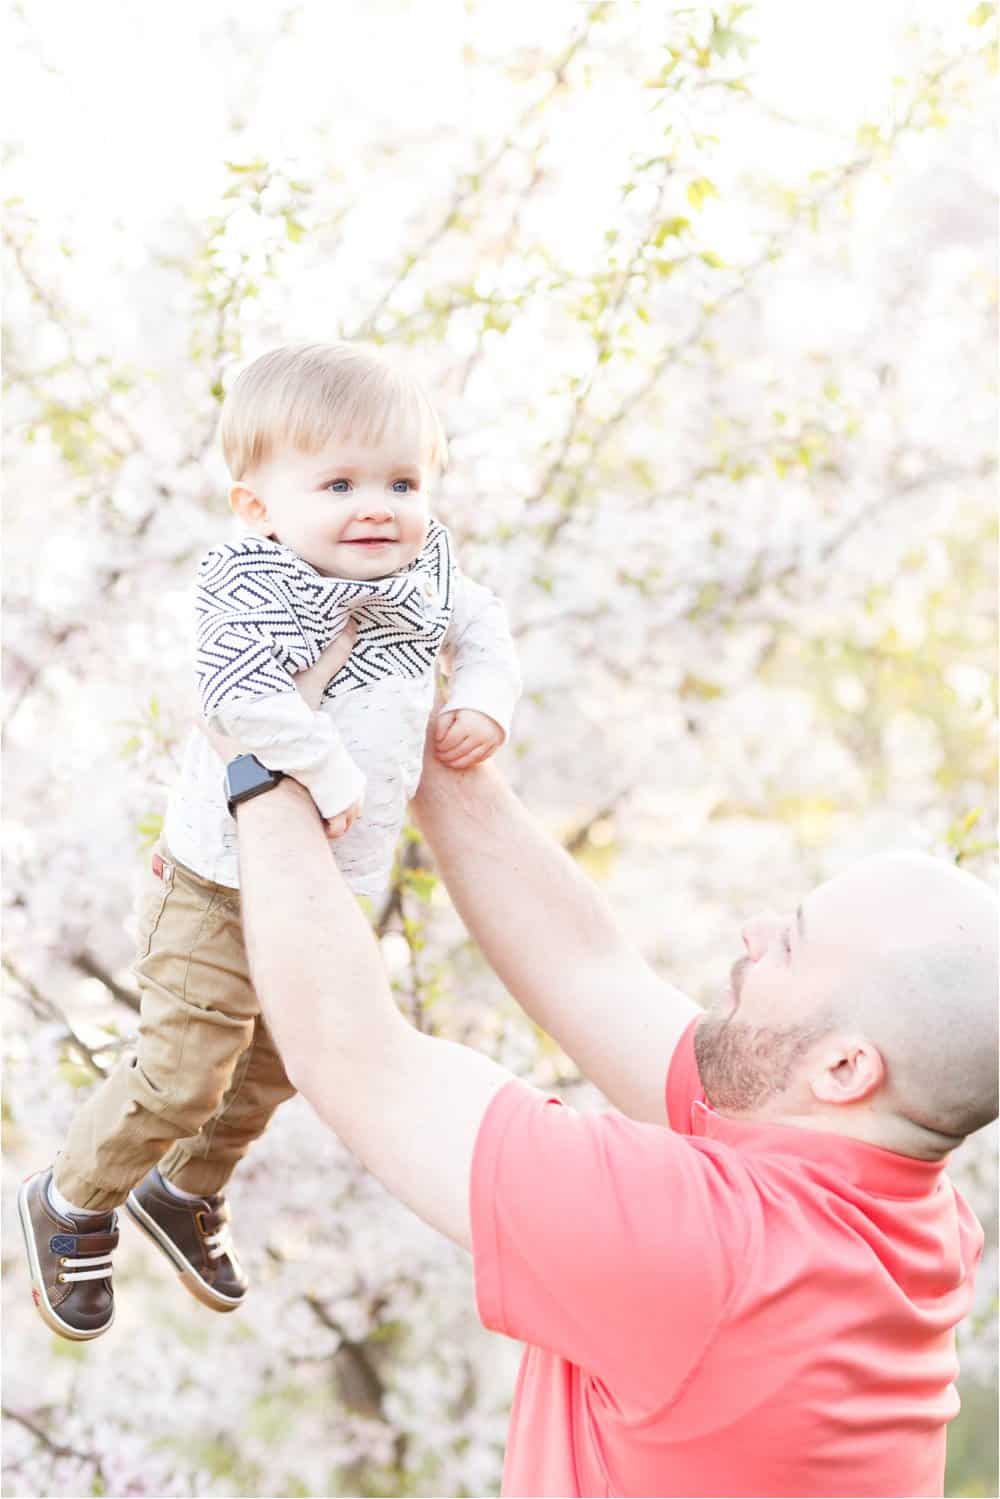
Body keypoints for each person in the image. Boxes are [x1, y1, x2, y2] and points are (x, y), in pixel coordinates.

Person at [192, 632, 992, 1498]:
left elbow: (351, 1052)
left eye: (791, 945)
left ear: (844, 1068)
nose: (754, 933)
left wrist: (259, 746)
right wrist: (407, 698)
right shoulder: (897, 1204)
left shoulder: (712, 1250)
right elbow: (590, 972)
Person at [18, 342, 520, 1341]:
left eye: (401, 481)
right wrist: (330, 773)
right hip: (219, 885)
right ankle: (73, 1198)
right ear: (260, 507)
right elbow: (238, 698)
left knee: (289, 1056)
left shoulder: (424, 571)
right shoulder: (256, 582)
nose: (376, 505)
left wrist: (481, 699)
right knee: (184, 1067)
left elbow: (488, 625)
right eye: (338, 482)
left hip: (331, 886)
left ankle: (182, 1186)